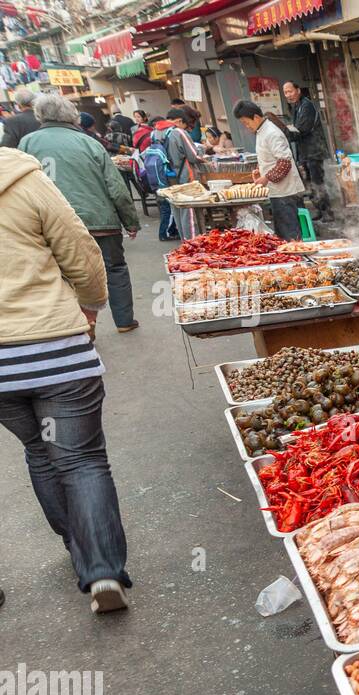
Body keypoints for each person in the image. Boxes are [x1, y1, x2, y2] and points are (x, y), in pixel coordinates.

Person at [0, 146, 132, 612]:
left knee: (39, 450)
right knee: (81, 459)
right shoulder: (23, 177)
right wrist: (92, 304)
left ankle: (77, 544)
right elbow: (80, 250)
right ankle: (101, 571)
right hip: (54, 346)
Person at [20, 95, 140, 334]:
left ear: (39, 115)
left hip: (49, 223)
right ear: (73, 116)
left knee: (63, 276)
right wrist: (130, 221)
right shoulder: (89, 143)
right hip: (100, 220)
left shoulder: (27, 144)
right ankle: (124, 320)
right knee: (114, 268)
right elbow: (115, 186)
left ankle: (81, 326)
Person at [233, 99, 304, 241]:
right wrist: (260, 171)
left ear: (256, 117)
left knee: (290, 233)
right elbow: (270, 158)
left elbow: (284, 163)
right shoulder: (261, 131)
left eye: (247, 123)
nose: (247, 127)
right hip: (276, 191)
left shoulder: (272, 133)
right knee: (282, 233)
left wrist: (265, 178)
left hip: (285, 192)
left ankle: (298, 257)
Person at [282, 81, 333, 222]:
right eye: (285, 92)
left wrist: (286, 132)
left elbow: (302, 129)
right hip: (305, 152)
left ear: (298, 90)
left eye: (290, 91)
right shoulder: (296, 107)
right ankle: (319, 209)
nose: (288, 95)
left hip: (314, 151)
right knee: (309, 182)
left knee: (317, 182)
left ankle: (327, 211)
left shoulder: (306, 105)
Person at [160, 107, 208, 239]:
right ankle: (193, 243)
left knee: (178, 210)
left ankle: (185, 242)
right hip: (185, 177)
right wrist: (202, 150)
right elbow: (194, 156)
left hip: (169, 178)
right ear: (180, 121)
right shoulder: (178, 132)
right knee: (189, 212)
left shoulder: (158, 132)